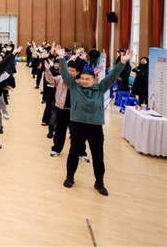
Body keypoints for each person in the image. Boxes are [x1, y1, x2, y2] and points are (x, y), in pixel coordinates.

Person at [57, 46, 133, 196]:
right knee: (74, 152)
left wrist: (122, 63)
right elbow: (65, 73)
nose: (84, 81)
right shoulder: (74, 87)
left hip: (95, 126)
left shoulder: (100, 88)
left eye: (88, 79)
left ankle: (99, 182)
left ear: (94, 80)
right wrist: (61, 58)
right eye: (82, 79)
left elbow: (112, 77)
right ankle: (70, 177)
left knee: (97, 155)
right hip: (77, 124)